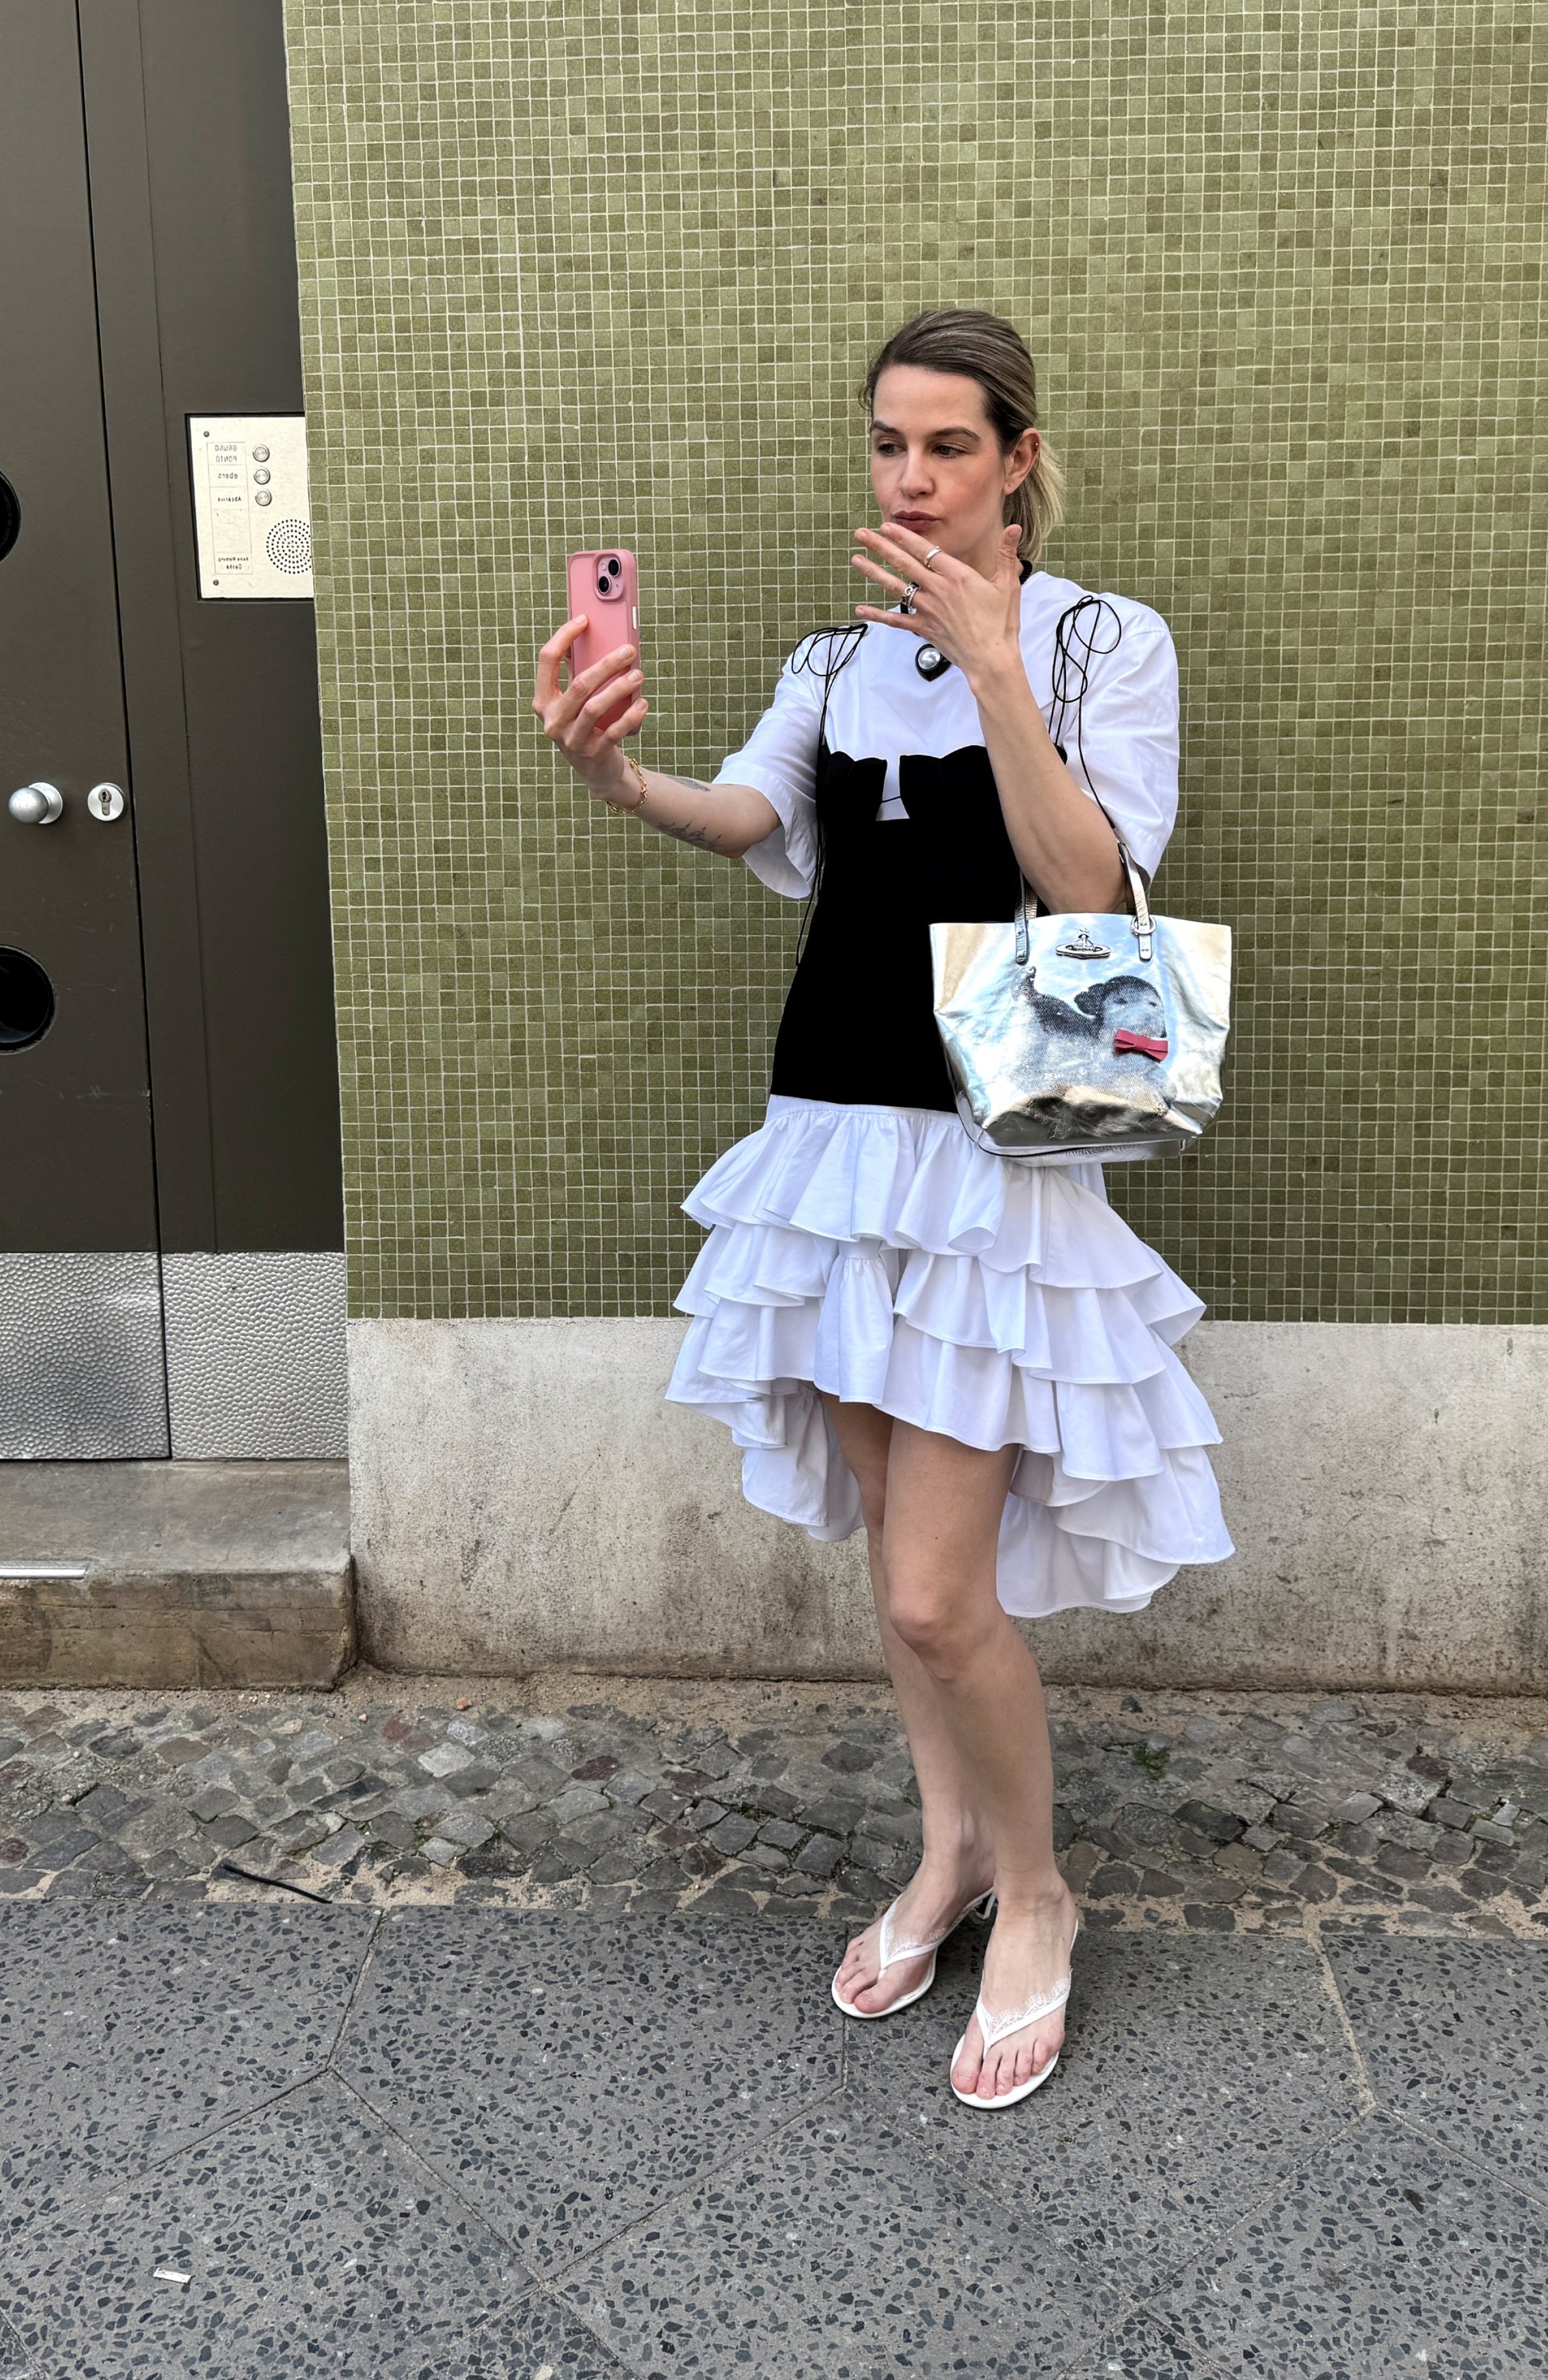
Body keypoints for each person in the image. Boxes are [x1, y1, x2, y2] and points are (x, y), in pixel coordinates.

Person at [532, 308, 1233, 2110]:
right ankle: (949, 1850)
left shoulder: (1099, 643)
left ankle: (1044, 1893)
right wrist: (613, 773)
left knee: (936, 1591)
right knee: (887, 1552)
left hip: (991, 1150)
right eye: (885, 445)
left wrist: (995, 658)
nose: (907, 478)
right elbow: (752, 809)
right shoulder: (833, 658)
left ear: (1013, 455)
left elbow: (1095, 891)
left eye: (943, 446)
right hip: (832, 1136)